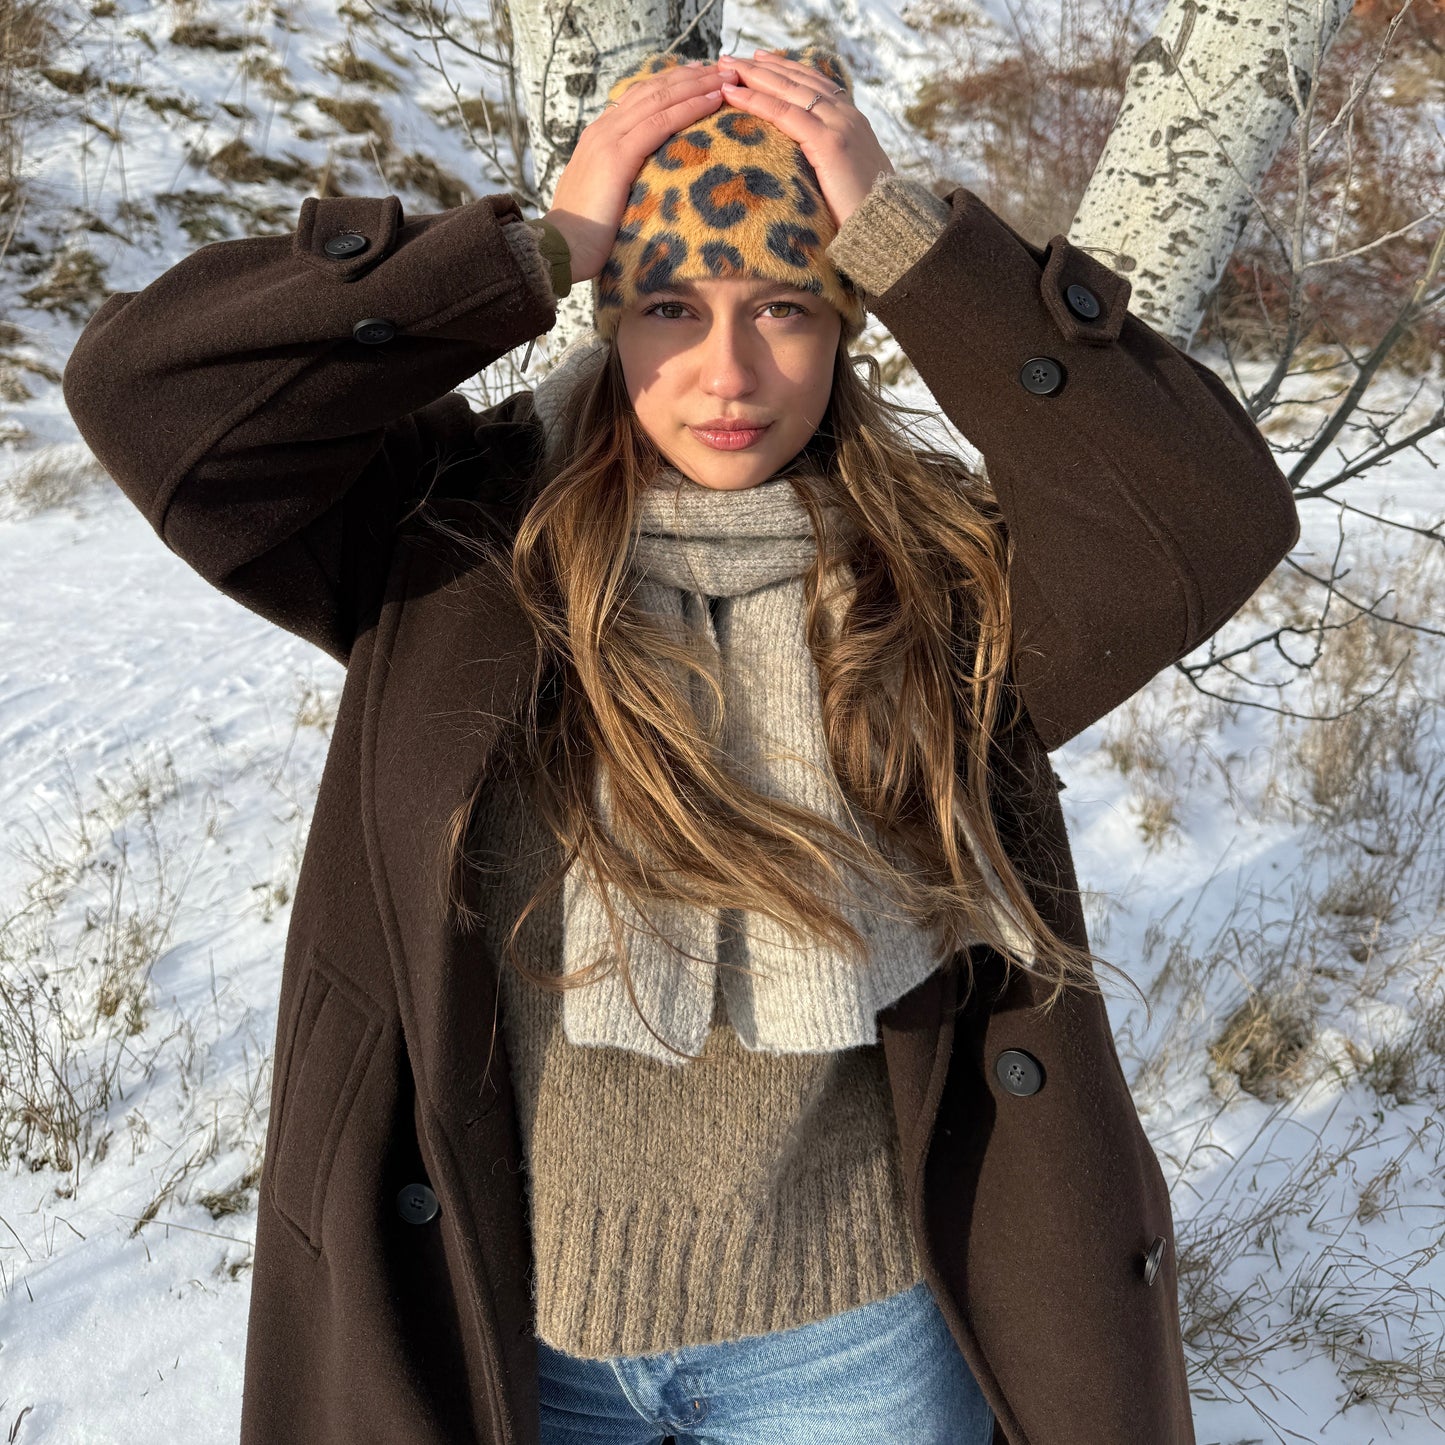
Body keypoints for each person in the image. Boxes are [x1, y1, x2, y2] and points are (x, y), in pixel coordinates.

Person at [61, 43, 1298, 1445]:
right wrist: (530, 246)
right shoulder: (461, 549)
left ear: (843, 323)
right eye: (667, 305)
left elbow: (1207, 523)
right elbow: (148, 396)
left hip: (858, 1348)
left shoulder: (935, 585)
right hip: (519, 1349)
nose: (728, 372)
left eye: (786, 306)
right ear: (604, 317)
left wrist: (907, 236)